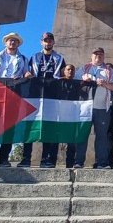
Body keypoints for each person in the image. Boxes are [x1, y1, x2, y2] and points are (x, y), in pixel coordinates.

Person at [0, 32, 32, 167]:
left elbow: (25, 72)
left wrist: (28, 74)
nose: (12, 43)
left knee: (9, 127)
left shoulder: (23, 58)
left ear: (18, 44)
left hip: (14, 94)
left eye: (15, 41)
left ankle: (3, 158)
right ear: (6, 43)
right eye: (10, 40)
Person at [30, 32, 66, 168]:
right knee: (32, 126)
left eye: (50, 40)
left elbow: (63, 74)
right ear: (41, 42)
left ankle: (49, 159)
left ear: (53, 42)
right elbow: (29, 73)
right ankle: (27, 158)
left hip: (53, 96)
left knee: (51, 127)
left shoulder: (59, 58)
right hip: (36, 96)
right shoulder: (34, 57)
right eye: (45, 40)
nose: (48, 42)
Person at [79, 47, 113, 169]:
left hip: (102, 107)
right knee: (82, 135)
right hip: (85, 107)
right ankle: (79, 161)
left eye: (101, 54)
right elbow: (73, 81)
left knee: (102, 136)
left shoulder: (109, 70)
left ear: (104, 56)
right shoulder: (84, 68)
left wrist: (105, 84)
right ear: (91, 56)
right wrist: (83, 80)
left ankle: (102, 162)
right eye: (96, 54)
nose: (98, 56)